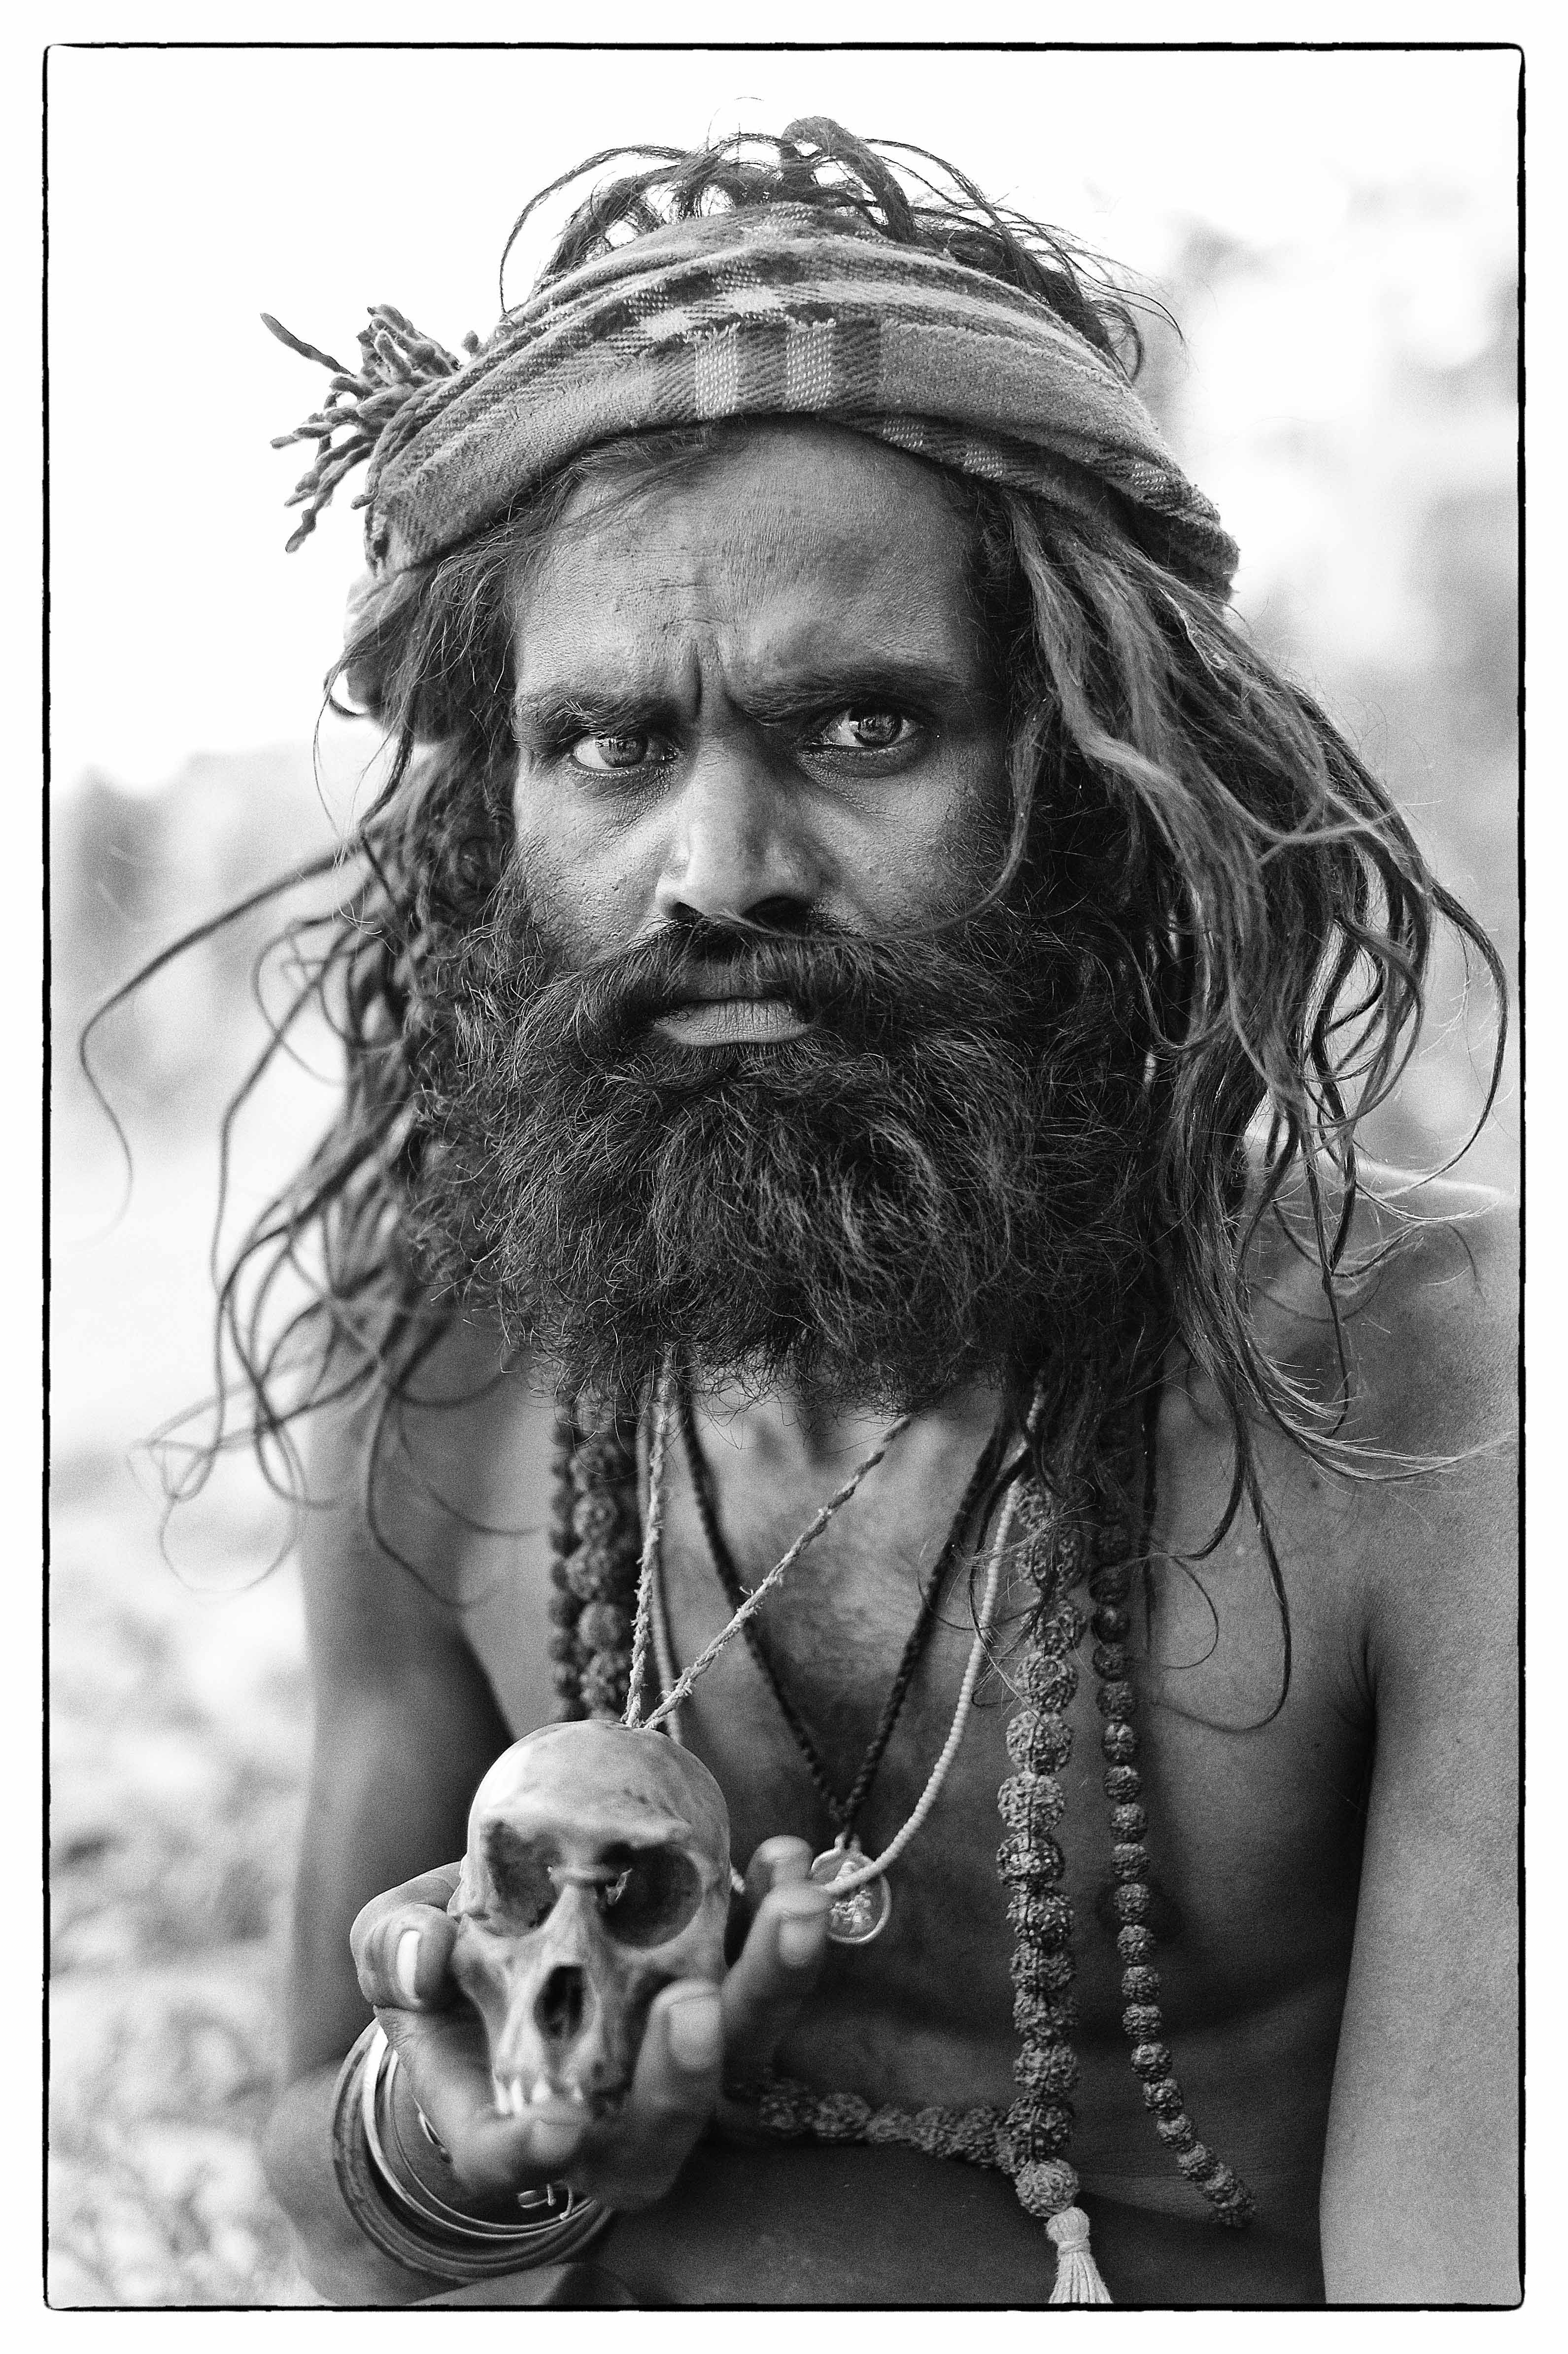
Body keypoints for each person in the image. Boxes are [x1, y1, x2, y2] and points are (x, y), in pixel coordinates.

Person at [223, 122, 1517, 2307]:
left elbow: (1464, 2282)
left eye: (857, 723)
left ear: (1086, 772)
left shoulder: (1432, 1395)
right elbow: (339, 2198)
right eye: (611, 746)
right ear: (504, 807)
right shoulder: (440, 1359)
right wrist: (446, 2154)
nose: (717, 866)